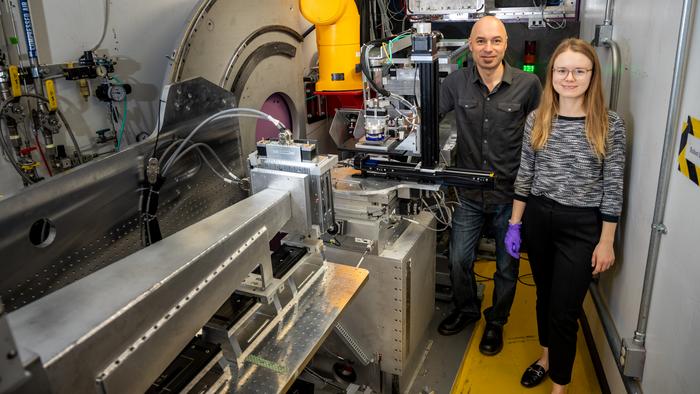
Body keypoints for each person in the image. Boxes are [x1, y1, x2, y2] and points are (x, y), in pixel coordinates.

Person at [506, 38, 626, 393]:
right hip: (539, 219)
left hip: (582, 225)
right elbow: (525, 174)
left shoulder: (609, 124)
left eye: (579, 70)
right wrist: (515, 224)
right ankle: (547, 358)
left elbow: (613, 186)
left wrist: (607, 241)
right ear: (551, 74)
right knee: (544, 295)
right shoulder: (537, 118)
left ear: (592, 75)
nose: (569, 78)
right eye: (562, 70)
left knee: (564, 310)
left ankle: (560, 386)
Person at [437, 15, 542, 357]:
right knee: (457, 260)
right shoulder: (455, 84)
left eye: (495, 41)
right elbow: (425, 118)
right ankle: (467, 310)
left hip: (510, 199)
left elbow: (542, 136)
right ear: (470, 44)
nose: (488, 48)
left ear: (505, 44)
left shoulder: (529, 85)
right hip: (467, 195)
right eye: (481, 41)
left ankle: (496, 322)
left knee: (507, 267)